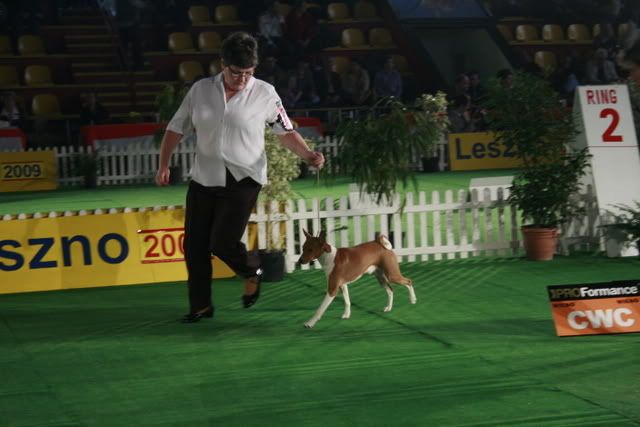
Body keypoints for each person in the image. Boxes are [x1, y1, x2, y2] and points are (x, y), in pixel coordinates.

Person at [155, 32, 325, 323]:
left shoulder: (266, 93)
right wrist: (163, 164)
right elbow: (176, 127)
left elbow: (285, 131)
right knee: (195, 247)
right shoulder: (200, 90)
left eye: (249, 72)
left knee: (222, 243)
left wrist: (308, 154)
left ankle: (251, 271)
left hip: (244, 178)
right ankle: (200, 307)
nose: (243, 79)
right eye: (236, 72)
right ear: (223, 64)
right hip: (204, 177)